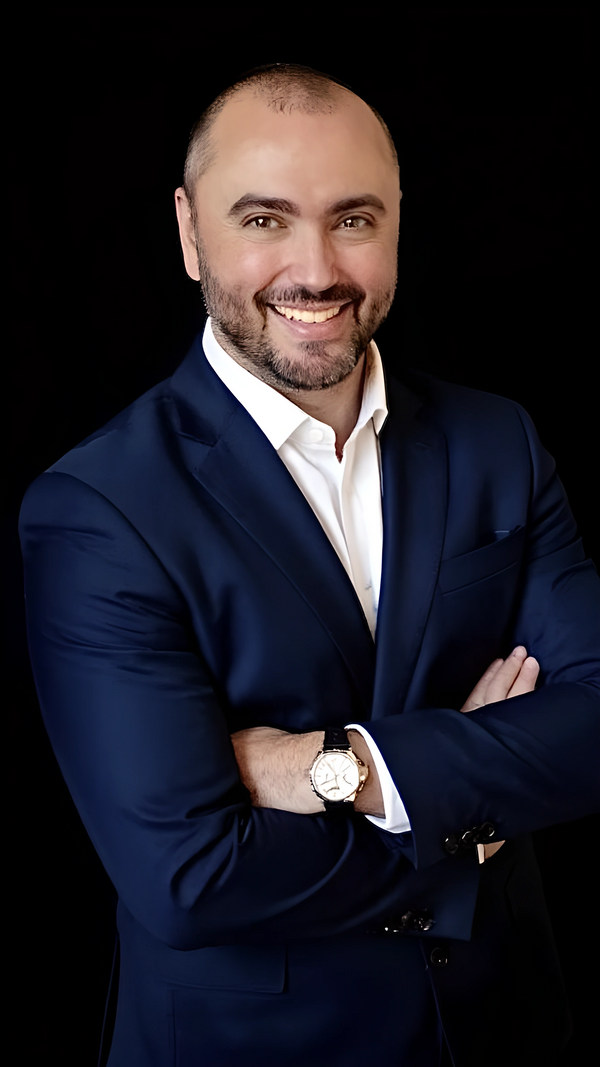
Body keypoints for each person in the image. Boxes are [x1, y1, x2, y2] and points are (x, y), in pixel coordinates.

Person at [19, 64, 599, 1067]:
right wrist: (473, 810)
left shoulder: (498, 440)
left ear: (399, 223)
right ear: (191, 232)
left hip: (509, 1028)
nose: (315, 268)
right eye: (264, 220)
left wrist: (344, 769)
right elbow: (191, 874)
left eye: (354, 219)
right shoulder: (97, 509)